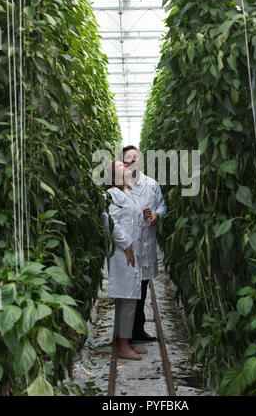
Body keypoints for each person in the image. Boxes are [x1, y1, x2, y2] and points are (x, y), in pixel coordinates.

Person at [102, 160, 148, 360]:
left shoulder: (128, 191)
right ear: (113, 175)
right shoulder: (110, 194)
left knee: (127, 297)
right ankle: (123, 346)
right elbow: (110, 222)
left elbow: (133, 217)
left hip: (131, 250)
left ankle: (123, 340)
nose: (127, 169)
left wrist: (144, 214)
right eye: (122, 167)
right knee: (127, 297)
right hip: (123, 251)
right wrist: (127, 245)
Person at [121, 146, 167, 342]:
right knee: (129, 289)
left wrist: (157, 215)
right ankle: (127, 333)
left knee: (143, 287)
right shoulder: (121, 186)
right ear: (124, 164)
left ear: (140, 160)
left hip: (146, 241)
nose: (133, 161)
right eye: (128, 159)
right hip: (129, 245)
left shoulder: (152, 184)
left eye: (135, 157)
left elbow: (162, 205)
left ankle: (138, 330)